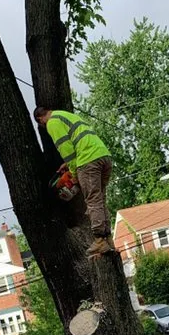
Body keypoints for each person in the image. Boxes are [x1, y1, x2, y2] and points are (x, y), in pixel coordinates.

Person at [34, 106, 115, 257]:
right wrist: (70, 165)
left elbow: (66, 148)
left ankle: (99, 240)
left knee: (92, 200)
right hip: (103, 156)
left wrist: (73, 172)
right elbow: (78, 142)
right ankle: (108, 239)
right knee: (100, 199)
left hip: (88, 160)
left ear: (40, 120)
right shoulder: (65, 115)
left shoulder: (52, 123)